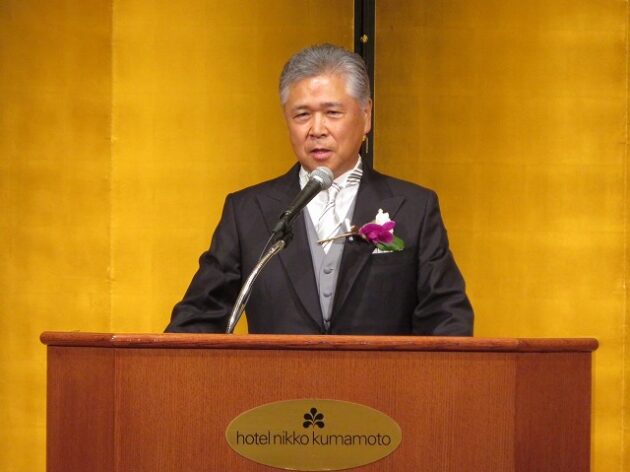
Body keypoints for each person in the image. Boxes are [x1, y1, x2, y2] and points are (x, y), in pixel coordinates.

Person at [165, 44, 473, 335]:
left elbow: (447, 320)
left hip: (379, 376)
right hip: (278, 376)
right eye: (302, 115)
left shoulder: (415, 209)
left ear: (366, 116)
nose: (316, 130)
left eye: (332, 113)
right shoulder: (247, 212)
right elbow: (197, 320)